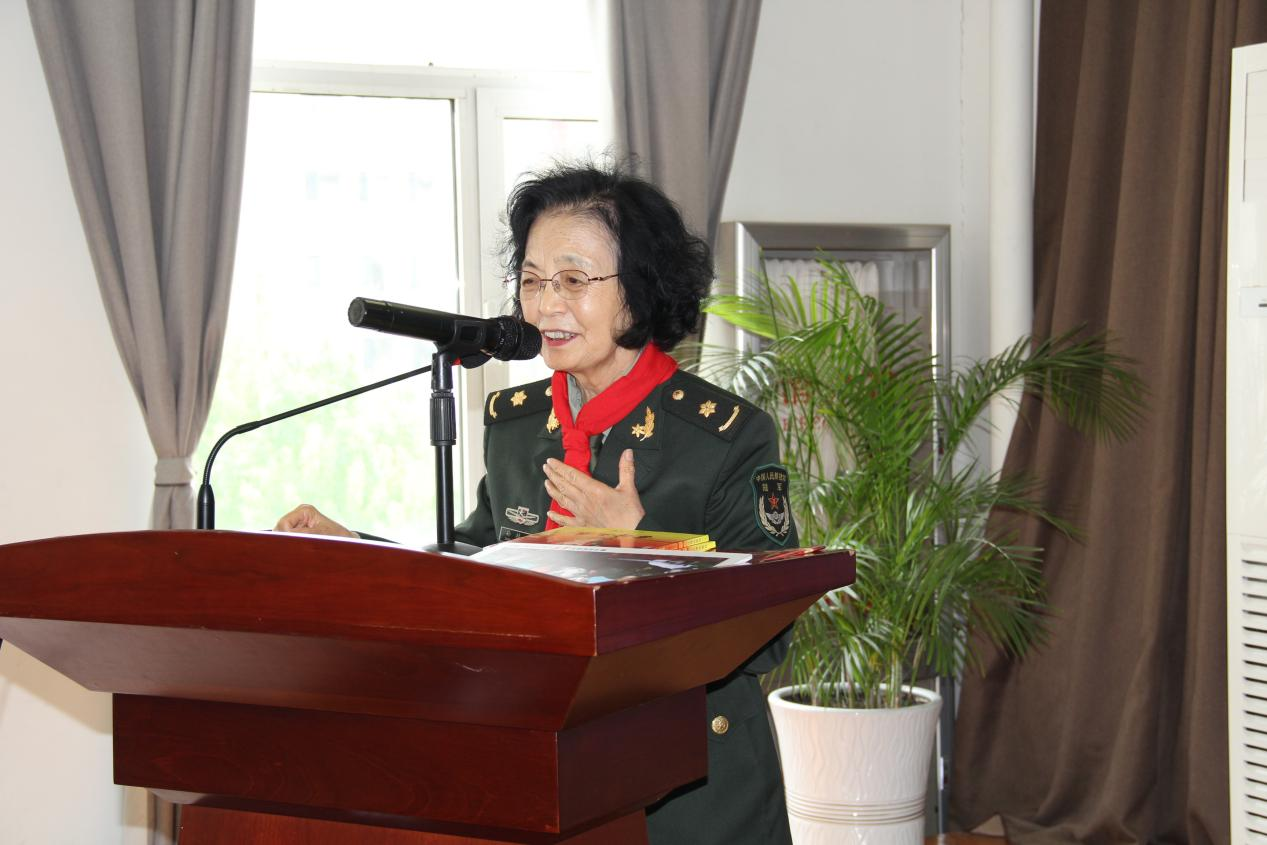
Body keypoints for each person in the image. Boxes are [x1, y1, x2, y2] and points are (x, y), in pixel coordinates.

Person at [276, 161, 797, 845]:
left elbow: (769, 633)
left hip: (691, 793)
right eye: (531, 280)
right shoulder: (517, 426)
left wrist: (641, 542)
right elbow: (472, 570)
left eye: (573, 280)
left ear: (640, 290)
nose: (546, 304)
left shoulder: (723, 435)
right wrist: (357, 551)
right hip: (543, 772)